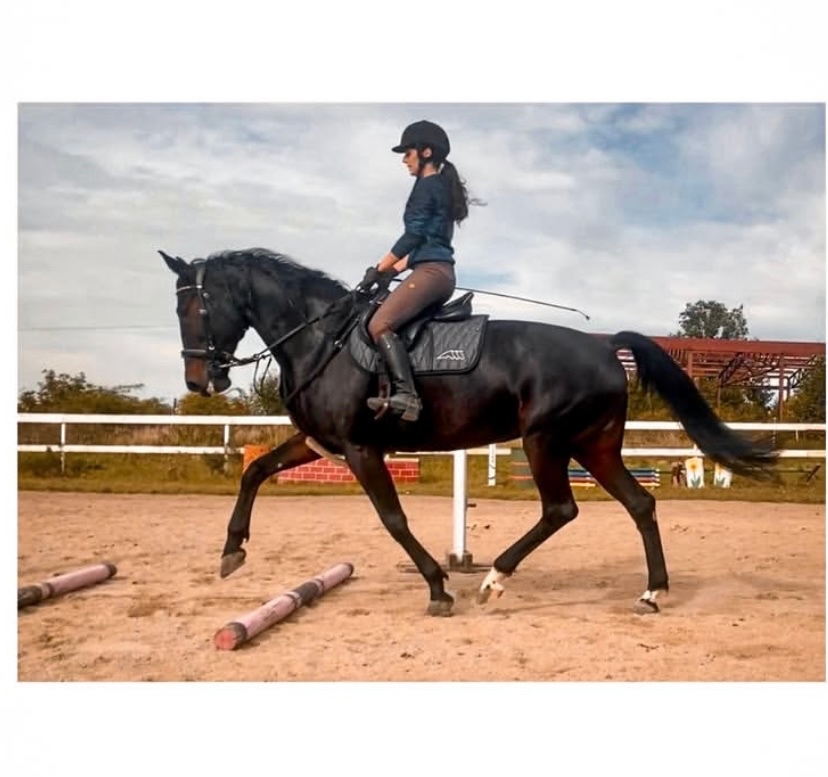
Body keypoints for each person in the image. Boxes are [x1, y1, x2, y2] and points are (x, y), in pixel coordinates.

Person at [357, 119, 474, 422]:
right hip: (432, 269)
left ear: (425, 152)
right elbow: (424, 244)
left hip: (432, 273)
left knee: (379, 324)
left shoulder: (426, 186)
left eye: (407, 152)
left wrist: (379, 268)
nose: (403, 159)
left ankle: (407, 396)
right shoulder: (438, 187)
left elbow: (412, 237)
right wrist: (387, 272)